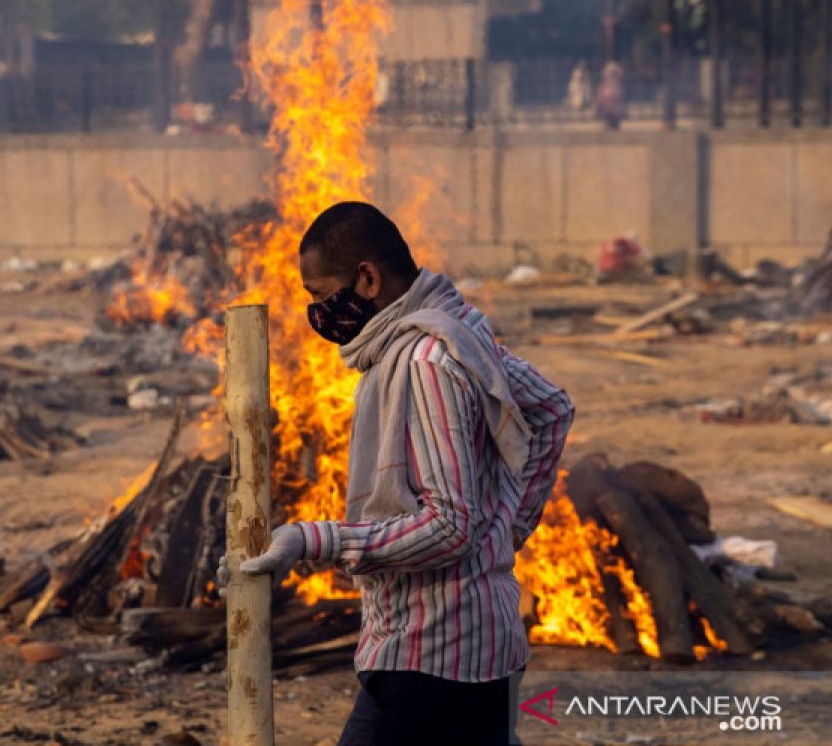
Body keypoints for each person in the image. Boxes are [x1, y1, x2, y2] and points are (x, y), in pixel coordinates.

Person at [223, 201, 575, 746]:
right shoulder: (459, 332)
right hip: (481, 646)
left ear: (367, 277)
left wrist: (313, 540)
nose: (317, 312)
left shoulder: (424, 362)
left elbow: (450, 526)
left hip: (435, 653)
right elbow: (551, 408)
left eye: (319, 295)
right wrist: (506, 524)